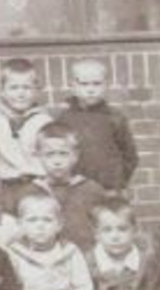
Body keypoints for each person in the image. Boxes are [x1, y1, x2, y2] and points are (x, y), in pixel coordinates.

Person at [53, 58, 139, 192]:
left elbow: (129, 155)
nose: (91, 89)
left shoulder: (114, 117)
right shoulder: (64, 119)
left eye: (96, 84)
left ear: (106, 85)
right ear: (73, 86)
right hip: (76, 189)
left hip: (108, 188)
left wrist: (118, 181)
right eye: (84, 84)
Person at [26, 123, 110, 251]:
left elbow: (106, 226)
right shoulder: (31, 191)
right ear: (39, 156)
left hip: (85, 257)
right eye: (50, 154)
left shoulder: (91, 190)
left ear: (75, 156)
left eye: (63, 154)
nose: (57, 161)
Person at [0, 57, 54, 199]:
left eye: (26, 88)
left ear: (36, 90)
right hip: (5, 186)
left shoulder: (44, 121)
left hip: (36, 185)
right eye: (14, 88)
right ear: (2, 91)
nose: (21, 94)